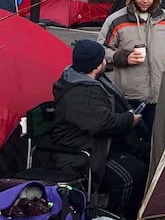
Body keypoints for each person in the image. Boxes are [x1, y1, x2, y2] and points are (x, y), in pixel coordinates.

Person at [51, 40, 148, 220]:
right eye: (103, 59)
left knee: (146, 154)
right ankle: (113, 215)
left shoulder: (90, 80)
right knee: (130, 175)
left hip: (100, 142)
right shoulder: (80, 92)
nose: (105, 62)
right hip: (84, 149)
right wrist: (129, 119)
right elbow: (101, 124)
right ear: (97, 65)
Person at [98, 0, 165, 140]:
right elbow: (101, 49)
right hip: (130, 95)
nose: (145, 1)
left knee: (155, 138)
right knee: (129, 140)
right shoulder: (116, 20)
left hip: (159, 94)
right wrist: (123, 57)